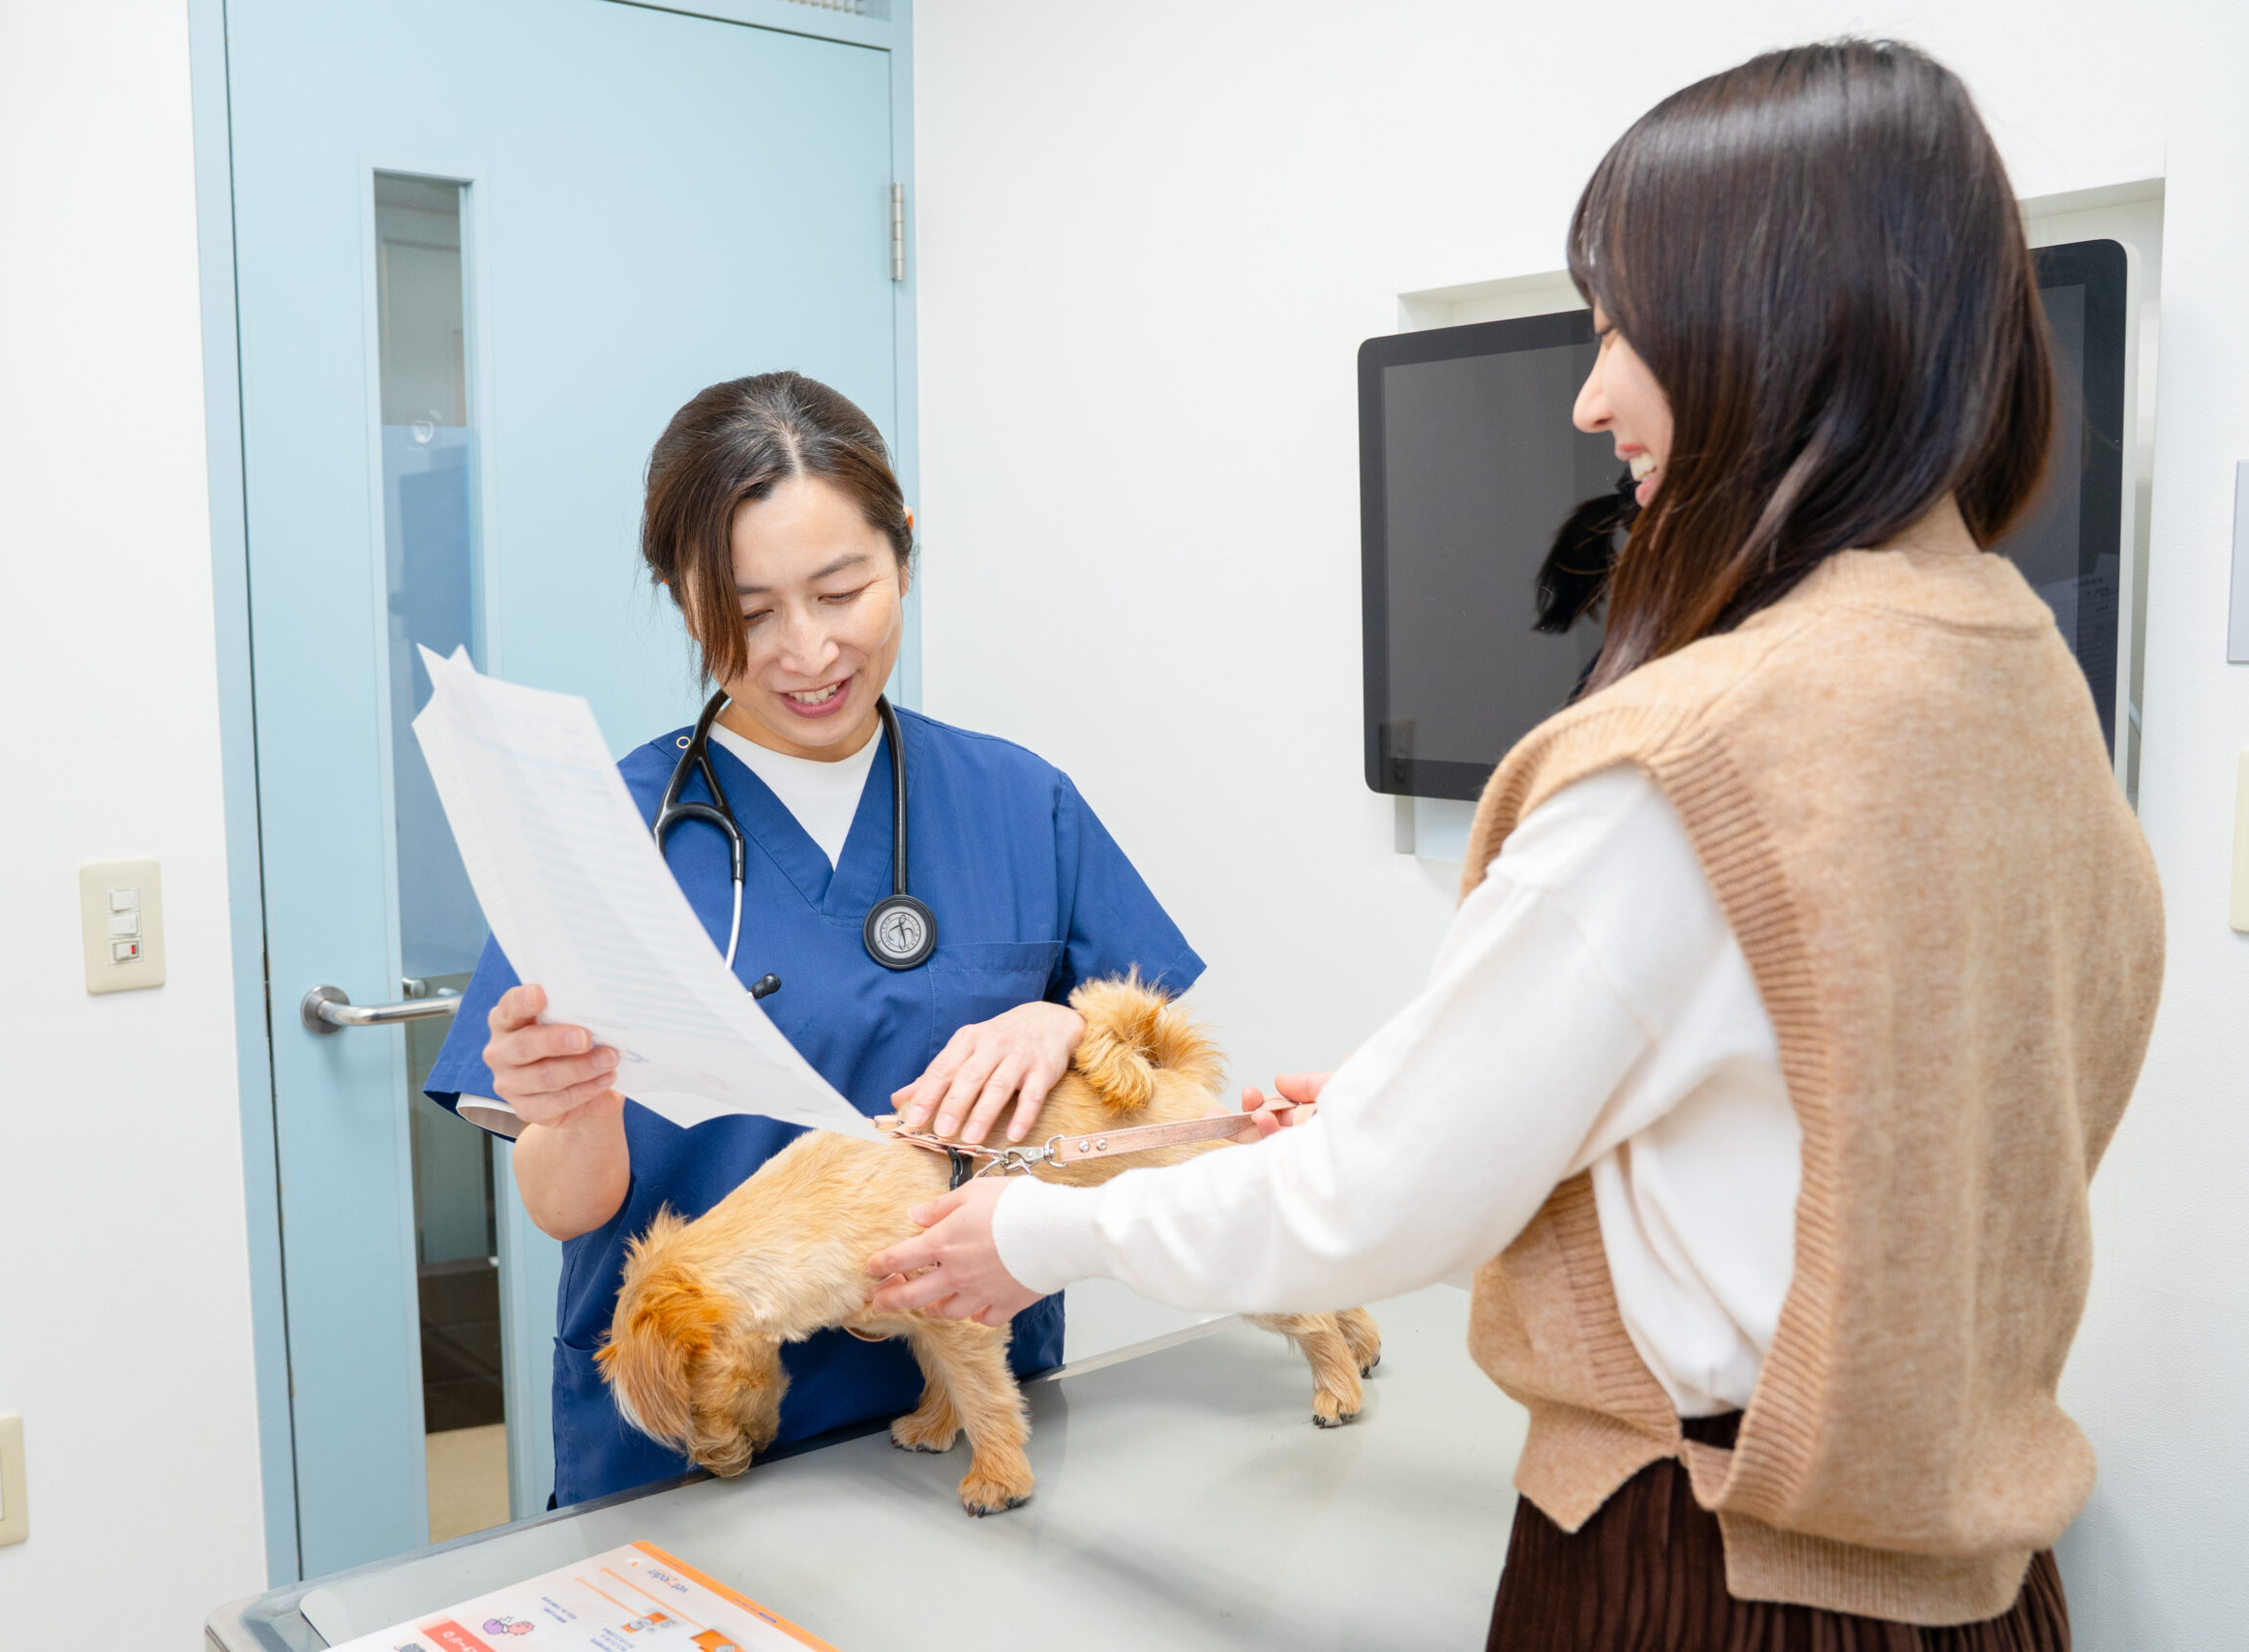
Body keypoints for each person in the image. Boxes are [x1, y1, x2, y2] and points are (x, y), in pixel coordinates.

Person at [868, 41, 2163, 1648]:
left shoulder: (1694, 756)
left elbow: (1368, 1207)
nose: (1589, 392)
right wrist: (1460, 1083)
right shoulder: (2028, 688)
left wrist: (1036, 1229)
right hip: (1979, 1587)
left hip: (1715, 1573)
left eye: (1626, 326)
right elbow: (1854, 1109)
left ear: (1777, 330)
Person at [423, 371, 1201, 1506]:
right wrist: (575, 1102)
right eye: (745, 614)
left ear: (905, 552)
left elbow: (1162, 1066)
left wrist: (1057, 1023)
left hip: (973, 1426)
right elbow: (561, 1203)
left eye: (844, 589)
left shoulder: (1016, 802)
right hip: (690, 1443)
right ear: (681, 599)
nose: (806, 651)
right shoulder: (603, 830)